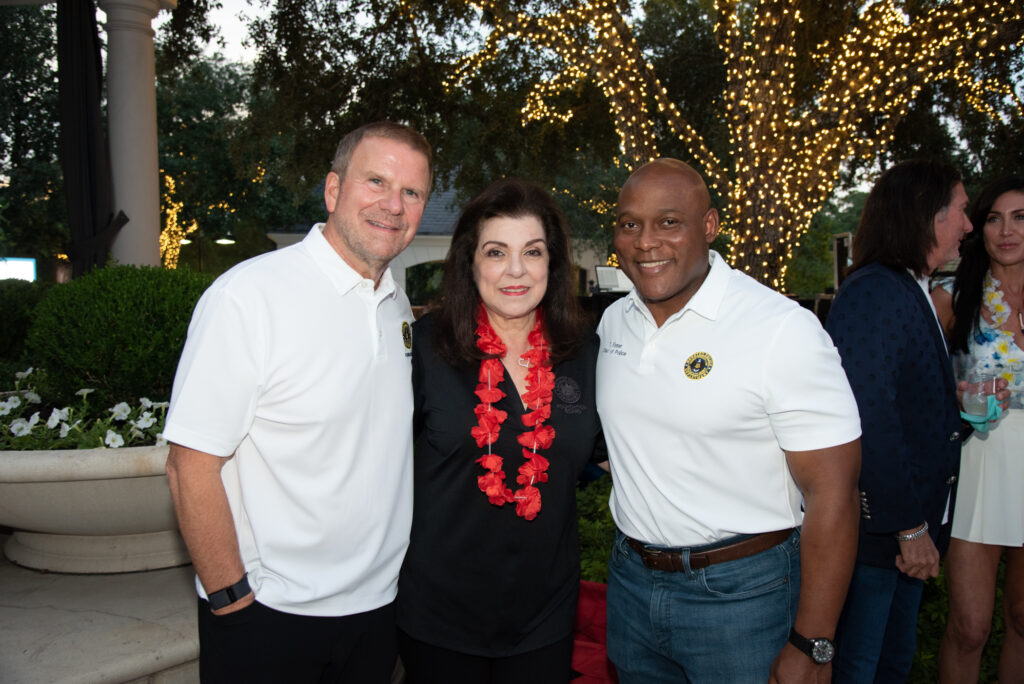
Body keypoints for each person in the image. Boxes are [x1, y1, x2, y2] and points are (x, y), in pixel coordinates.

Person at [163, 121, 432, 683]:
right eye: (376, 181)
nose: (393, 204)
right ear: (333, 190)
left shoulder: (395, 304)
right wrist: (231, 598)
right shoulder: (248, 298)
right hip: (269, 617)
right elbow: (190, 467)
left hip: (378, 613)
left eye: (411, 192)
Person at [597, 158, 862, 683]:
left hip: (746, 598)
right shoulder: (614, 321)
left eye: (669, 222)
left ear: (710, 226)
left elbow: (836, 493)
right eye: (630, 224)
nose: (646, 241)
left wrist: (813, 644)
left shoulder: (781, 329)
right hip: (630, 587)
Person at [396, 178, 604, 684]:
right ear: (471, 263)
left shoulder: (585, 355)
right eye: (496, 252)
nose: (516, 271)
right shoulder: (423, 348)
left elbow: (612, 455)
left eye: (532, 252)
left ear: (552, 264)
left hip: (546, 617)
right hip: (438, 617)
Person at [825, 159, 975, 682]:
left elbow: (898, 397)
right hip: (880, 536)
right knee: (860, 667)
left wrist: (953, 406)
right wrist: (909, 528)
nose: (968, 224)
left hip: (901, 531)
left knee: (891, 662)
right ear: (927, 216)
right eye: (961, 210)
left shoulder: (906, 287)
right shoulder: (875, 291)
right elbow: (867, 416)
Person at [933, 176, 1024, 682]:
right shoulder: (952, 299)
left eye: (1020, 217)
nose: (1006, 230)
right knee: (969, 626)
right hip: (979, 466)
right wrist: (957, 400)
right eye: (993, 217)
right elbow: (918, 390)